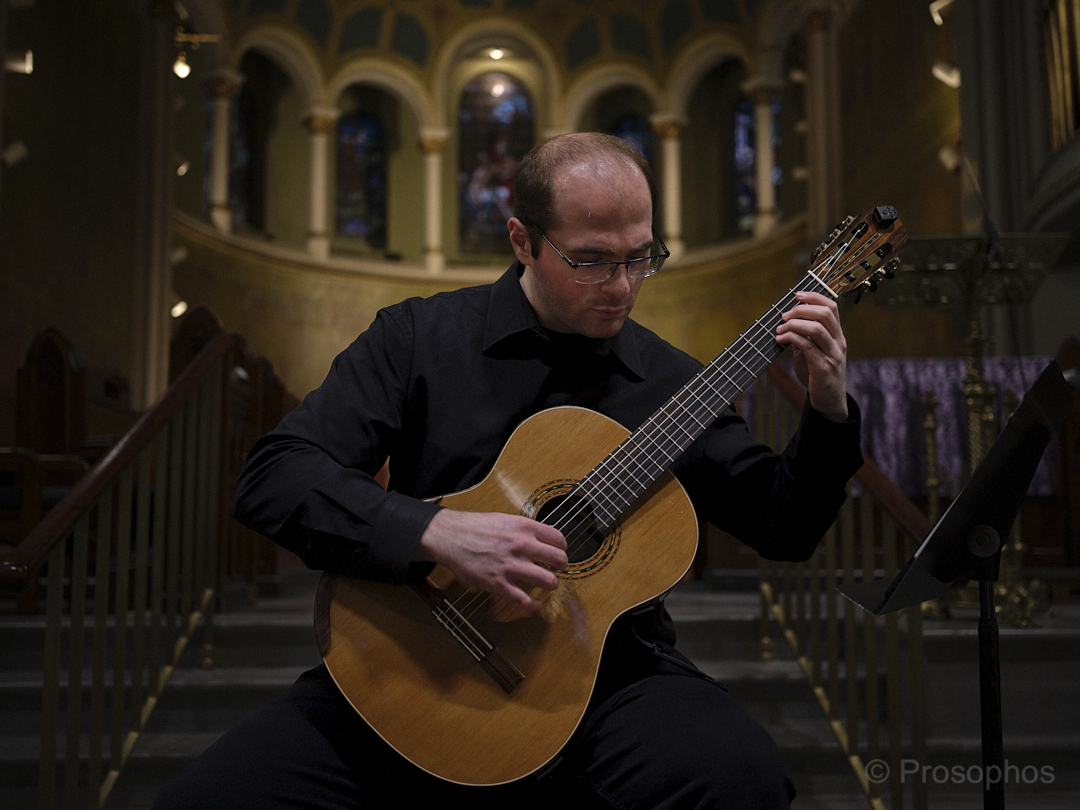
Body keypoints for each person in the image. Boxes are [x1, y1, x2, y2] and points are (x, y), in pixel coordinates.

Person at [154, 132, 863, 810]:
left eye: (640, 257)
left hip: (604, 679)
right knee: (208, 800)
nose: (621, 285)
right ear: (523, 240)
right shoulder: (418, 338)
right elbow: (274, 476)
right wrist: (433, 531)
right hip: (415, 647)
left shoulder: (675, 385)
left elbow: (785, 526)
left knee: (739, 775)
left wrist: (829, 408)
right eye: (591, 261)